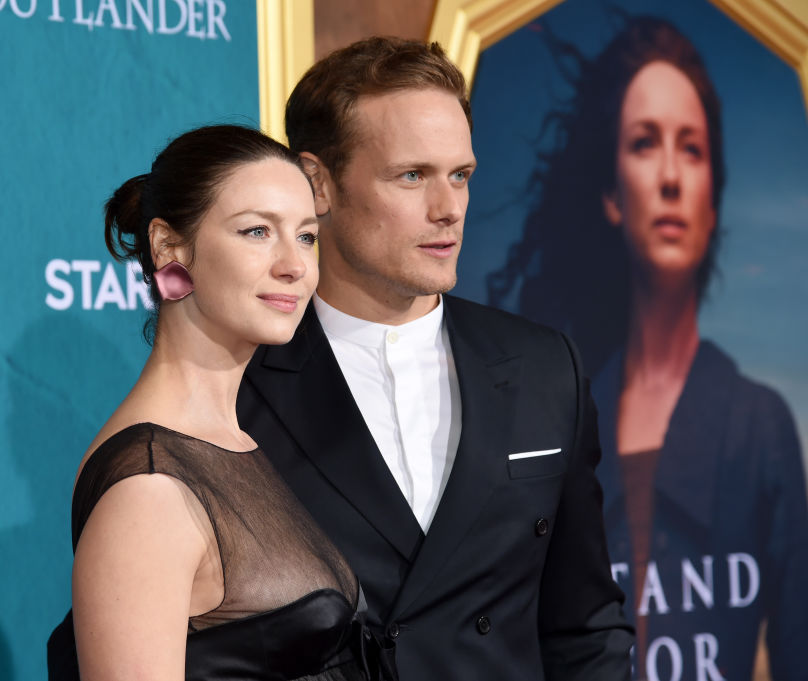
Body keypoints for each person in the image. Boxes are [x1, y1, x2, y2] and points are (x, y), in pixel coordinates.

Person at [237, 37, 634, 680]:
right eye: (412, 176)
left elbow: (583, 625)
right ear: (318, 185)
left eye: (461, 175)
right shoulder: (237, 388)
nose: (449, 209)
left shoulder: (544, 368)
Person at [487, 17, 808, 681]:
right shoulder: (566, 419)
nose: (669, 176)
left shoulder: (759, 427)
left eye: (691, 149)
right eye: (644, 143)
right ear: (610, 194)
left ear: (713, 194)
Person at [47, 124, 396, 681]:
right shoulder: (151, 489)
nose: (295, 265)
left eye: (306, 236)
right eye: (257, 231)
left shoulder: (235, 440)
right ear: (168, 247)